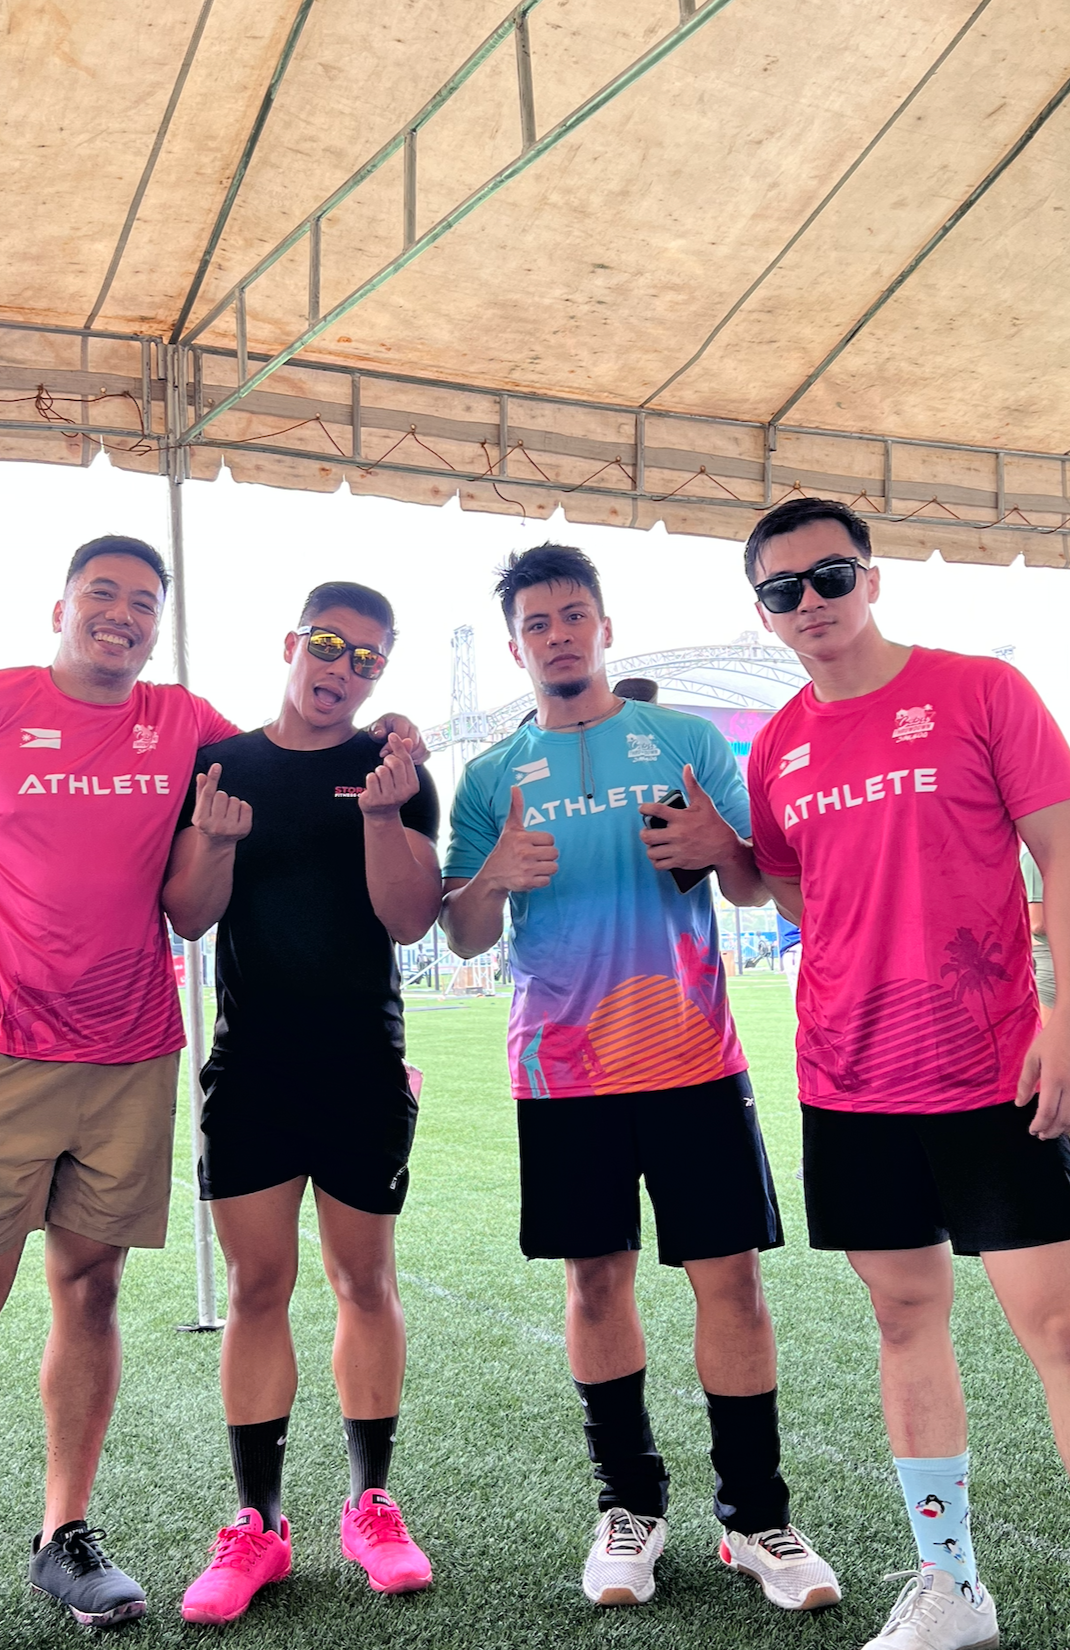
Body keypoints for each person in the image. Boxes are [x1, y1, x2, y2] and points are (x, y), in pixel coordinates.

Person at [0, 535, 425, 1648]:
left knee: (90, 1295)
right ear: (62, 605)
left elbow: (301, 762)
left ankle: (64, 1536)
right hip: (3, 1049)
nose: (122, 616)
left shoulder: (191, 728)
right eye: (103, 595)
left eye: (143, 602)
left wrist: (396, 744)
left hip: (135, 1053)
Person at [439, 541, 839, 1613]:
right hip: (559, 1071)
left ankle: (756, 1517)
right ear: (519, 644)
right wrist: (493, 875)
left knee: (732, 1280)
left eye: (575, 615)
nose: (558, 635)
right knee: (595, 1281)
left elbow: (755, 885)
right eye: (538, 623)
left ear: (604, 626)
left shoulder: (687, 739)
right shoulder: (486, 778)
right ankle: (627, 1507)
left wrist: (722, 842)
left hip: (692, 1059)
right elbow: (465, 934)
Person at [740, 496, 1070, 1650]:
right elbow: (795, 890)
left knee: (1059, 1322)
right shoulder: (777, 744)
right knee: (904, 1316)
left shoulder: (983, 690)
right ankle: (952, 1586)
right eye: (784, 590)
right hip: (849, 1076)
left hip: (994, 1066)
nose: (811, 603)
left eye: (829, 576)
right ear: (766, 615)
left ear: (871, 576)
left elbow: (1063, 850)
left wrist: (1068, 1010)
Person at [162, 583, 441, 1625]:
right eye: (330, 644)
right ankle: (258, 1524)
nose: (344, 667)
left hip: (363, 1063)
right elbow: (188, 912)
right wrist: (221, 838)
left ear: (382, 670)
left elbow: (411, 917)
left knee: (365, 1282)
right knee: (257, 1286)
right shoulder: (222, 763)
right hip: (253, 1067)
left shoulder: (397, 770)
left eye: (368, 657)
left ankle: (372, 1502)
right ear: (293, 642)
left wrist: (382, 813)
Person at [1021, 846, 1055, 1020]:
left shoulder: (1035, 857)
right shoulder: (1036, 858)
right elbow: (1038, 923)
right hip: (1052, 958)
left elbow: (1038, 924)